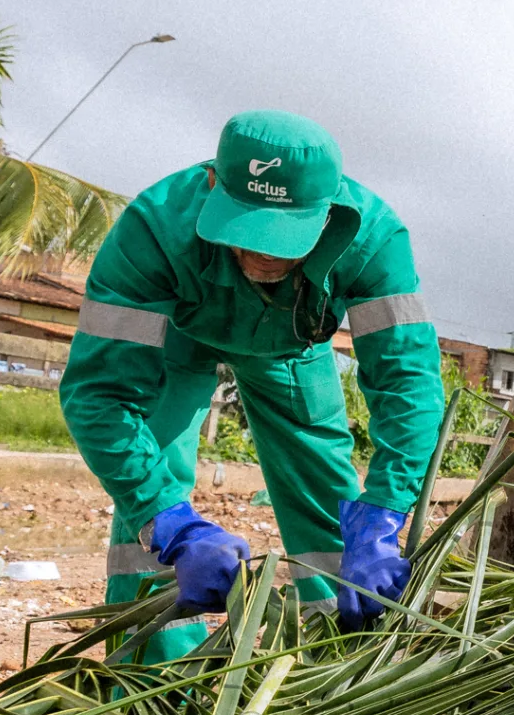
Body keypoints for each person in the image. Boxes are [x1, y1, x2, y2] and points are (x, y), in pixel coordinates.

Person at [61, 110, 446, 657]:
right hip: (179, 335)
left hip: (292, 344)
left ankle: (336, 654)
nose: (267, 253)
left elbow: (408, 384)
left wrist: (386, 510)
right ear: (214, 185)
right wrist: (167, 520)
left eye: (287, 235)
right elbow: (100, 393)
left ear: (329, 211)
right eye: (249, 230)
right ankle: (157, 670)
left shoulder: (373, 237)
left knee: (324, 490)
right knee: (152, 468)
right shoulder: (154, 228)